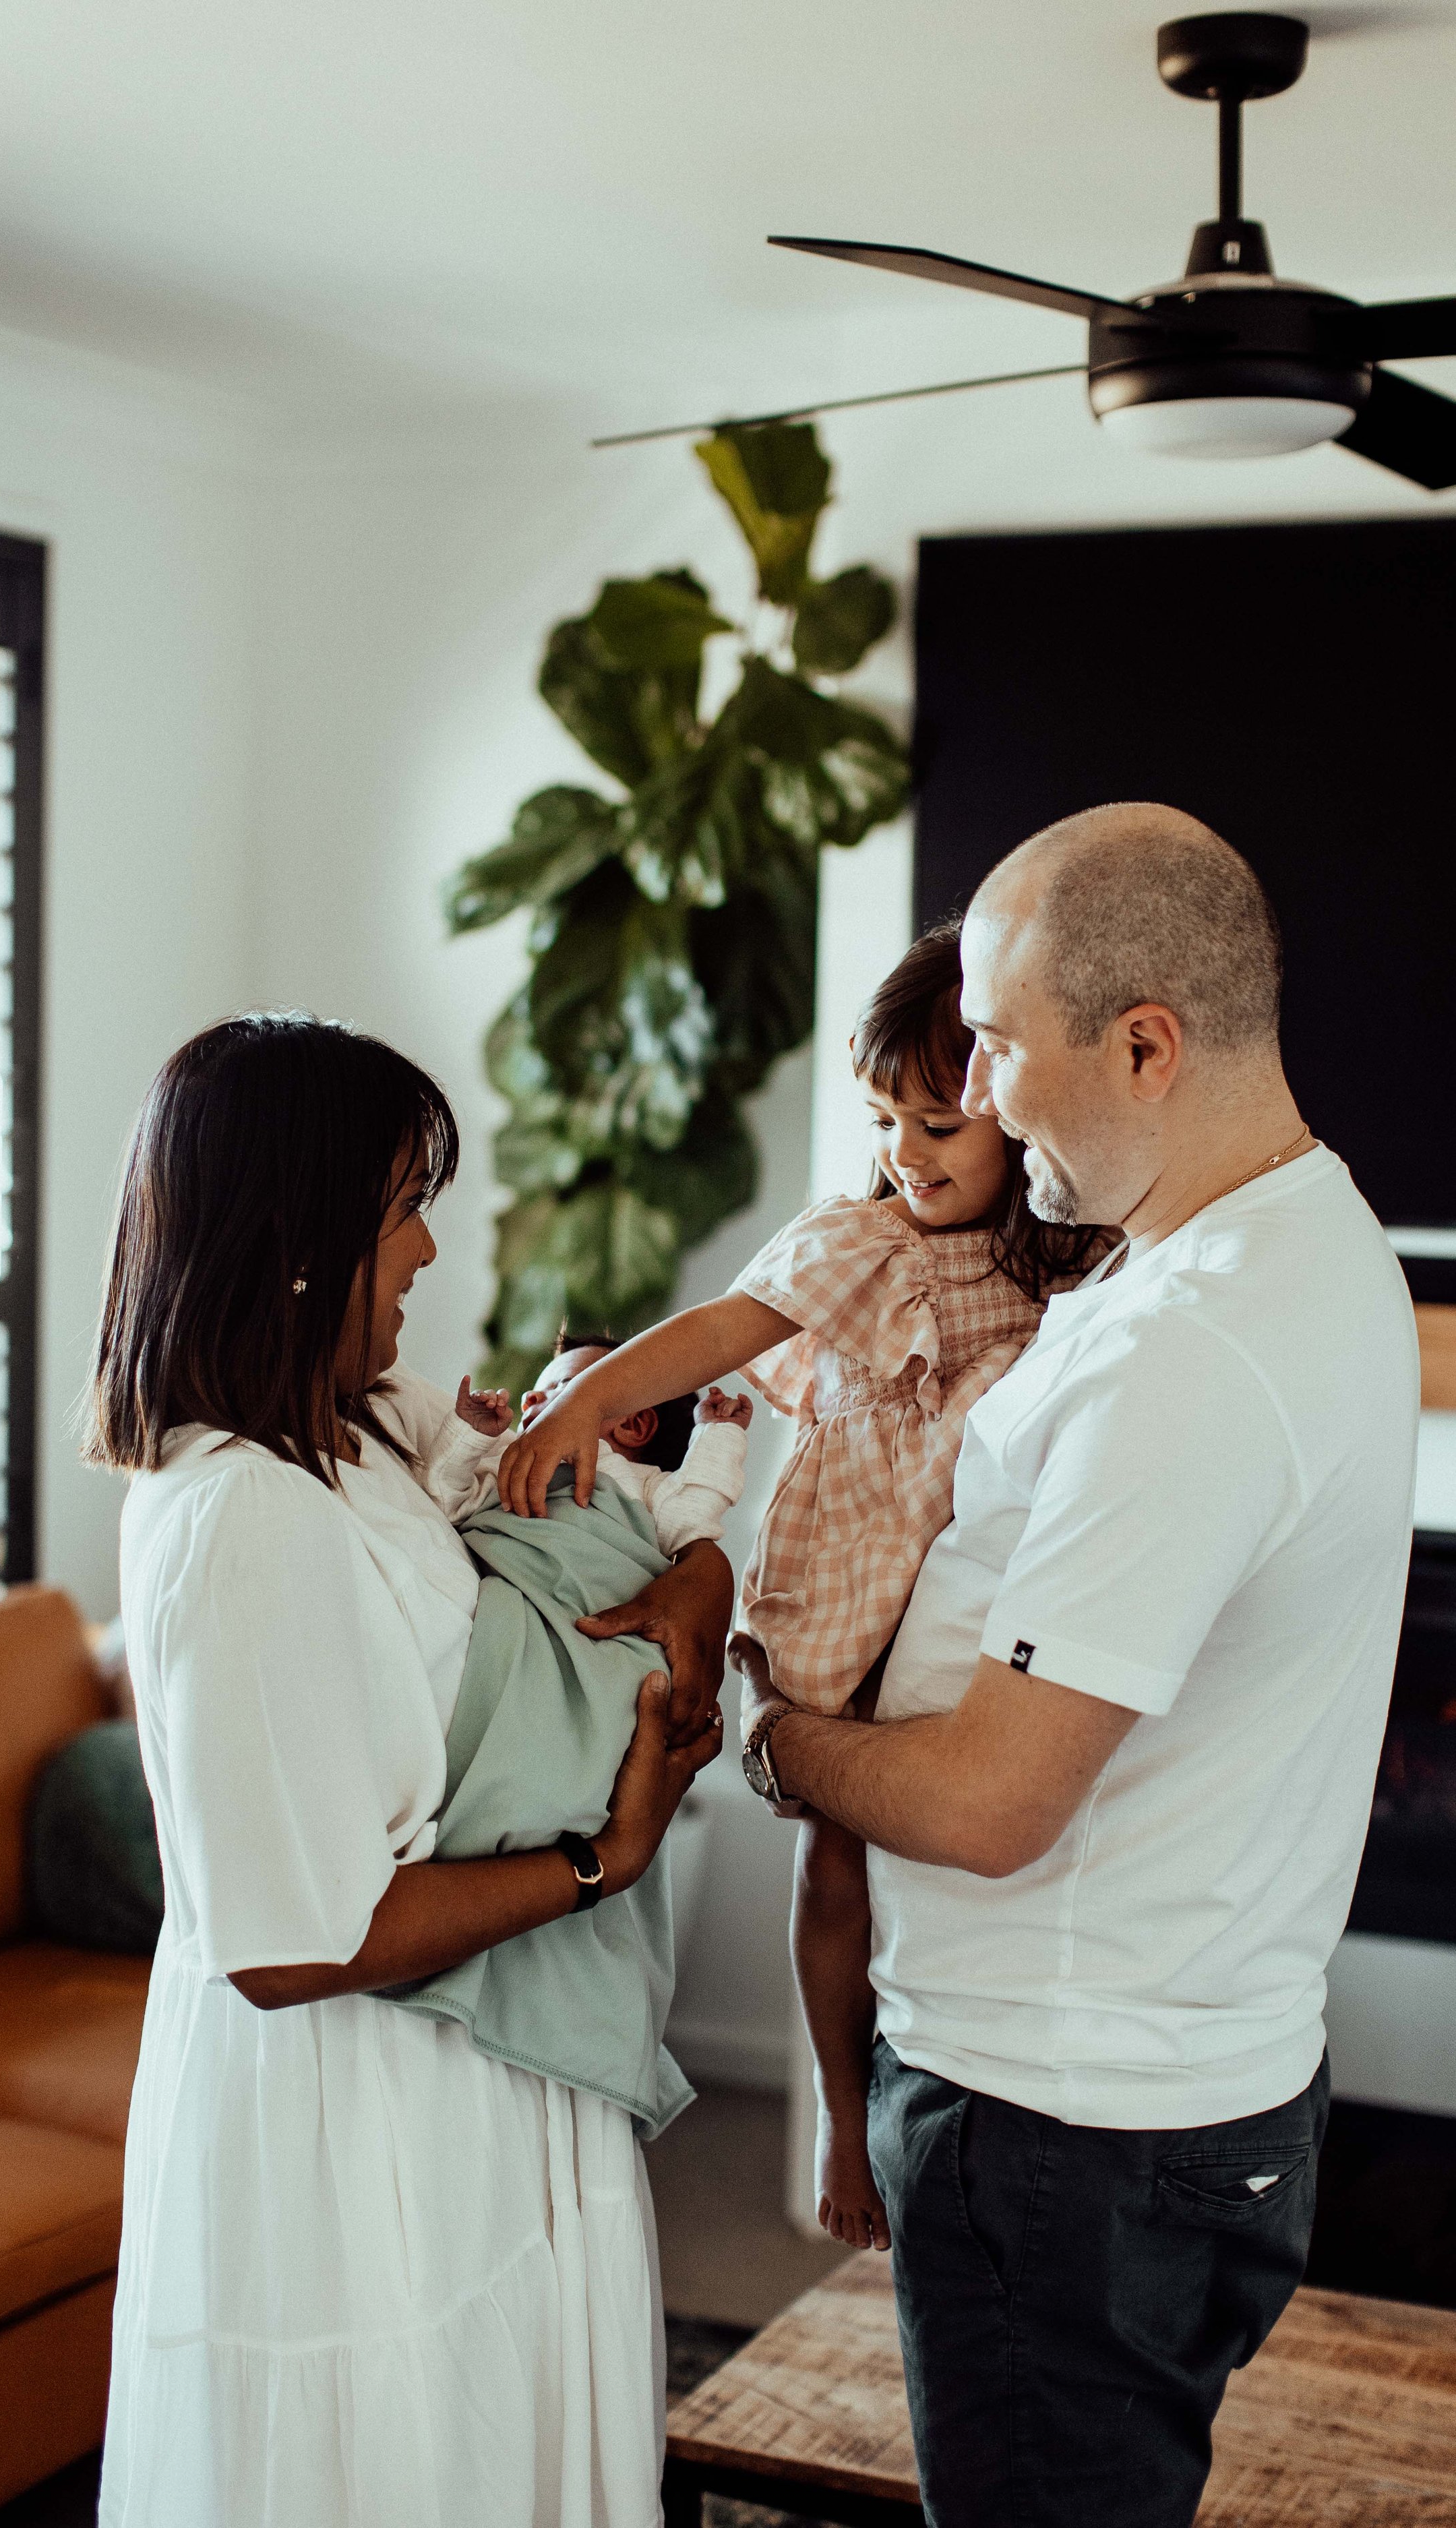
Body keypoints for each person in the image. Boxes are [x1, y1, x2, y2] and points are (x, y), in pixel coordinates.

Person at [733, 805, 1421, 2528]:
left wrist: (770, 1738)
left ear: (1143, 1043)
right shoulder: (1298, 1239)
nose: (973, 1082)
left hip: (1062, 2131)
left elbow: (987, 1801)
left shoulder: (1194, 1346)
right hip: (1161, 2085)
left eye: (996, 1038)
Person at [84, 1013, 730, 2528]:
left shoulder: (363, 1427)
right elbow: (291, 1945)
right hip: (350, 2124)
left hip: (482, 2069)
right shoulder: (237, 1518)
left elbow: (587, 1488)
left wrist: (694, 1577)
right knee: (395, 2464)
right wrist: (600, 1864)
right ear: (299, 1237)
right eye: (402, 1211)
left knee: (514, 2449)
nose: (431, 1254)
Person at [499, 928, 1101, 2252]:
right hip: (843, 1587)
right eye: (886, 1119)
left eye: (938, 1122)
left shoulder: (1067, 1268)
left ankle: (990, 2104)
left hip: (971, 1603)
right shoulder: (860, 1242)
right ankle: (841, 2109)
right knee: (836, 1868)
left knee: (992, 1848)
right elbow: (719, 1330)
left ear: (1013, 1112)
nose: (906, 1151)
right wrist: (590, 1400)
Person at [424, 1324, 752, 1556]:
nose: (529, 1396)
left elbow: (692, 1516)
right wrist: (469, 1435)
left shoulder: (644, 1490)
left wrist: (718, 1432)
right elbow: (447, 1503)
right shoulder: (510, 1467)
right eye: (537, 1390)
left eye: (563, 1387)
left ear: (634, 1425)